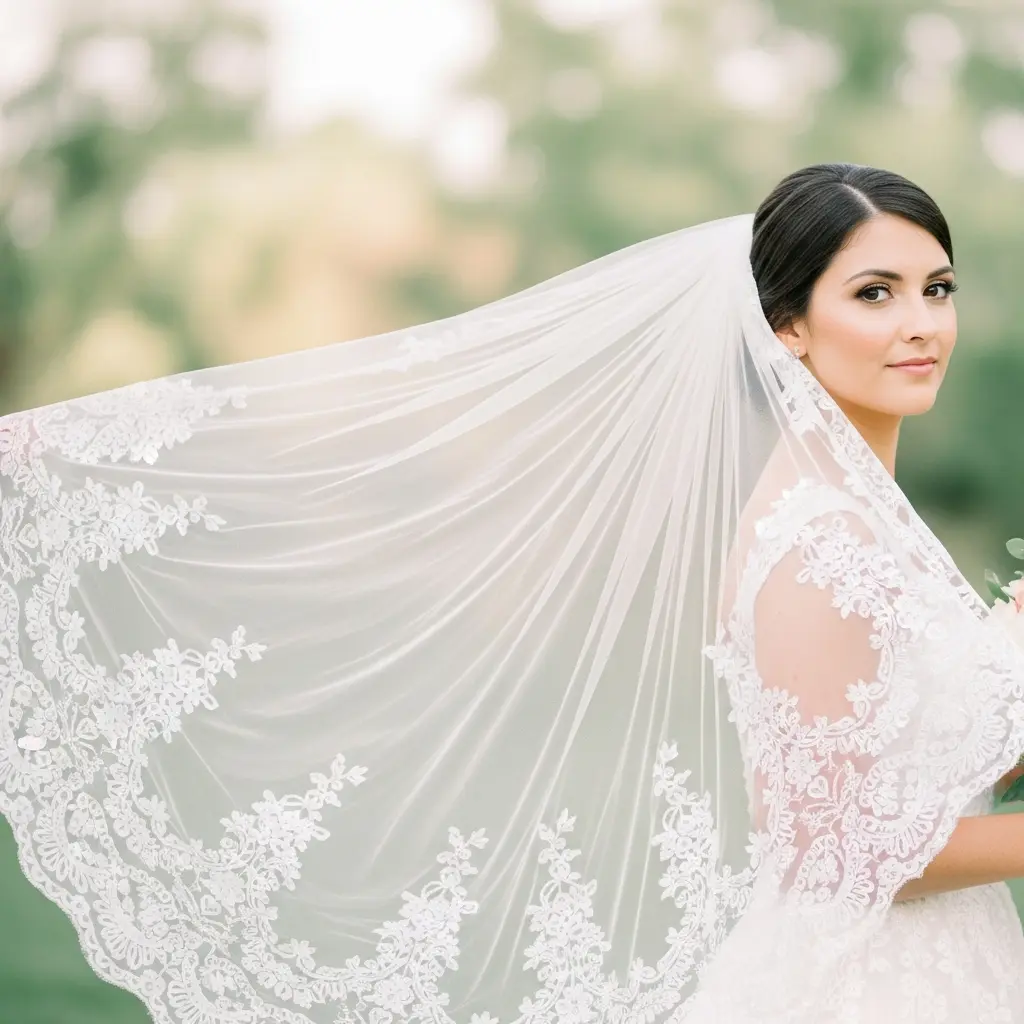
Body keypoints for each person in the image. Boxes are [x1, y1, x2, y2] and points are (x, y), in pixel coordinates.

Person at [0, 162, 1023, 1024]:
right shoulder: (819, 542)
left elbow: (915, 769)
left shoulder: (867, 519)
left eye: (937, 288)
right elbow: (836, 849)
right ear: (788, 325)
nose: (920, 322)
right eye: (875, 292)